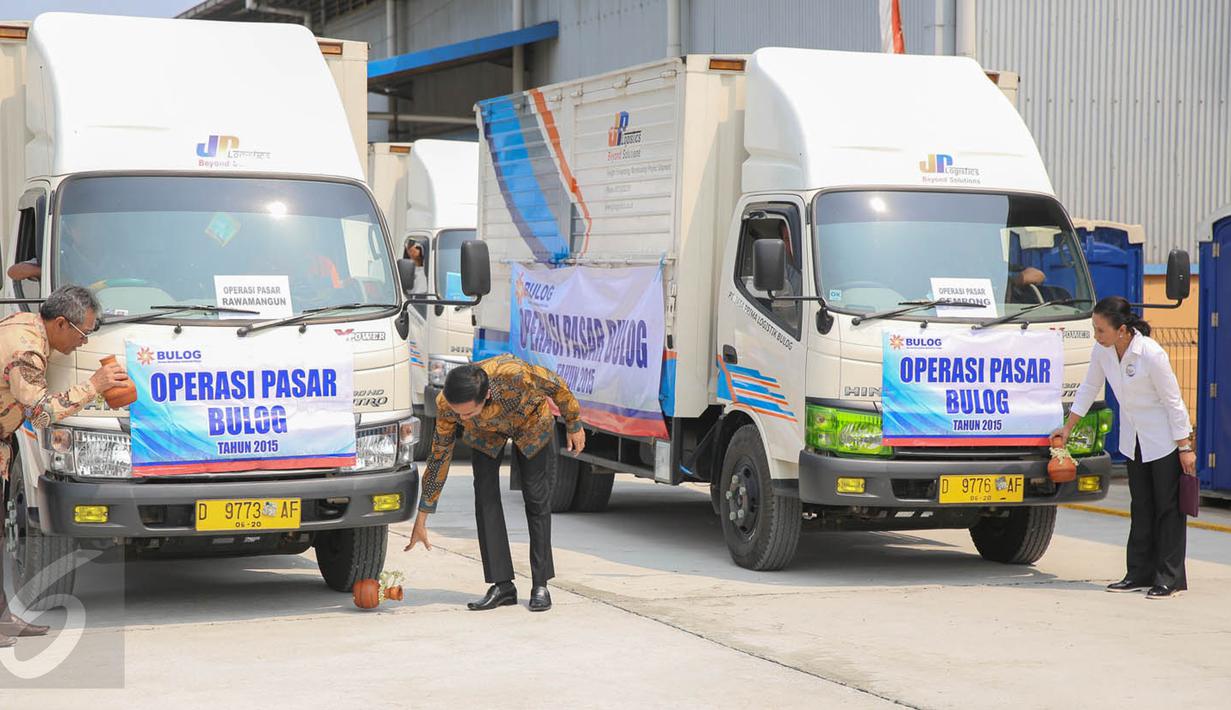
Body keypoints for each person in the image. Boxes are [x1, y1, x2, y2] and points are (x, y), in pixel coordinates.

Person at [0, 286, 130, 647]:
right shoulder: (26, 350)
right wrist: (94, 385)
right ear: (60, 323)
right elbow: (41, 414)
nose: (84, 342)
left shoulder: (26, 325)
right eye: (83, 332)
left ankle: (4, 619)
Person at [404, 354, 585, 612]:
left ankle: (540, 584)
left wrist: (574, 423)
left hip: (530, 423)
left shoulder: (515, 374)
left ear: (486, 396)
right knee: (485, 496)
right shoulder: (448, 404)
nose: (461, 418)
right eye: (458, 414)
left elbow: (557, 386)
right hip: (485, 434)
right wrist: (422, 515)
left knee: (536, 497)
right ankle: (502, 586)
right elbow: (438, 457)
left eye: (468, 413)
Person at [1053, 296, 1195, 600]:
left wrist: (1185, 445)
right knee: (1141, 506)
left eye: (1100, 330)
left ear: (1122, 330)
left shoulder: (1151, 354)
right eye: (1094, 329)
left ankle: (1169, 578)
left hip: (1163, 441)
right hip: (1134, 441)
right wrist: (1068, 427)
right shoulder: (1103, 352)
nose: (1096, 336)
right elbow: (1089, 388)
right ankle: (1138, 573)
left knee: (1168, 509)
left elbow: (1173, 401)